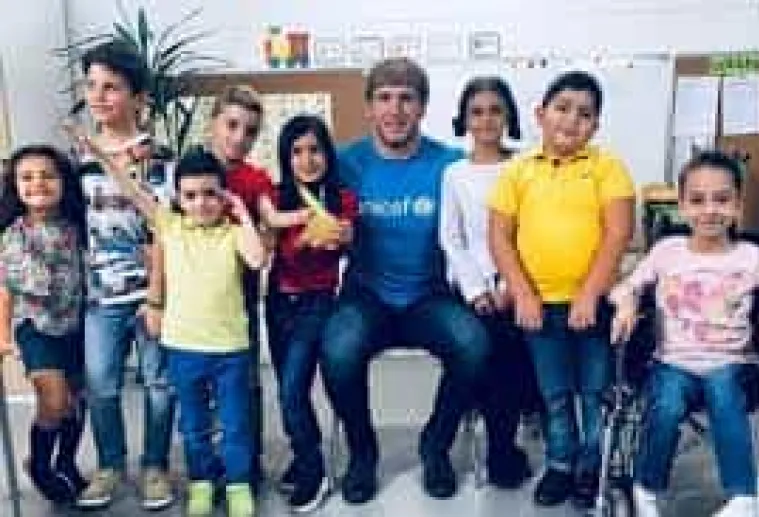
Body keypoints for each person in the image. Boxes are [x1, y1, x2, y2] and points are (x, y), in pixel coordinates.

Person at [319, 57, 490, 504]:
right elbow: (303, 210)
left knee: (474, 345)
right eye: (384, 98)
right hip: (366, 295)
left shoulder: (449, 165)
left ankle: (436, 445)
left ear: (423, 107)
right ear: (369, 107)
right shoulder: (343, 163)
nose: (395, 110)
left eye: (406, 99)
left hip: (429, 296)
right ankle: (362, 451)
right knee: (337, 349)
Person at [77, 137, 268, 517]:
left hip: (230, 350)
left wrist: (242, 214)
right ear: (178, 197)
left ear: (224, 195)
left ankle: (237, 484)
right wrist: (100, 155)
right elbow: (130, 190)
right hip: (183, 348)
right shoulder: (170, 226)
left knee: (235, 424)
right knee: (194, 425)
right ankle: (201, 482)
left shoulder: (233, 233)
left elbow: (257, 258)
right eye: (190, 195)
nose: (201, 203)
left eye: (210, 194)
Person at [488, 70, 635, 508]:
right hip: (539, 306)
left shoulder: (607, 168)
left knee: (593, 392)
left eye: (585, 114)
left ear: (596, 125)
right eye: (562, 108)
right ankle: (560, 464)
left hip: (592, 304)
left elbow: (618, 234)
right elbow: (499, 237)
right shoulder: (518, 171)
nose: (572, 120)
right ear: (540, 114)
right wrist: (523, 293)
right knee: (554, 394)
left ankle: (592, 466)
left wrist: (590, 293)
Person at [611, 150, 759, 517]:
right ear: (682, 205)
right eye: (698, 200)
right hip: (673, 362)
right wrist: (627, 304)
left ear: (738, 205)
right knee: (666, 404)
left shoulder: (751, 257)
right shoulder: (666, 252)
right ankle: (646, 488)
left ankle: (743, 496)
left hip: (732, 363)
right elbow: (628, 286)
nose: (710, 210)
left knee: (723, 392)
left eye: (722, 199)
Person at [74, 40, 175, 511]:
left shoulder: (157, 157)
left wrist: (156, 297)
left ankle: (155, 465)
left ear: (138, 97)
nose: (98, 96)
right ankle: (110, 465)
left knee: (159, 383)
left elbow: (165, 229)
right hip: (100, 295)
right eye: (92, 85)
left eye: (111, 87)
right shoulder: (77, 158)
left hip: (151, 292)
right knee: (100, 384)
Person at [440, 76, 539, 489]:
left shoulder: (526, 166)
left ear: (509, 116)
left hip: (519, 282)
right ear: (464, 119)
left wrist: (509, 285)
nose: (486, 120)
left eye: (495, 111)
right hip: (470, 287)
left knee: (512, 351)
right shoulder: (454, 173)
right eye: (476, 112)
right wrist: (477, 289)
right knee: (486, 348)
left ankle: (504, 446)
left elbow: (532, 232)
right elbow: (451, 238)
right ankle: (496, 450)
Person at [264, 115, 358, 512]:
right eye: (297, 152)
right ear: (286, 158)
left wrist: (343, 235)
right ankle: (304, 453)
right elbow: (279, 252)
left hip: (316, 304)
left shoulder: (343, 199)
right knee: (290, 391)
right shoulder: (275, 198)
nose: (306, 160)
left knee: (290, 391)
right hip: (277, 302)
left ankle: (314, 471)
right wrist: (306, 235)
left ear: (328, 154)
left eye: (315, 150)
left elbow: (344, 241)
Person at [0, 145, 88, 503]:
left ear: (63, 182)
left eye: (48, 175)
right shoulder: (12, 236)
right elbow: (5, 290)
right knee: (54, 399)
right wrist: (3, 335)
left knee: (77, 399)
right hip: (35, 327)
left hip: (75, 323)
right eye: (27, 177)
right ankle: (39, 464)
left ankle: (66, 461)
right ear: (15, 186)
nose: (38, 183)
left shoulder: (76, 227)